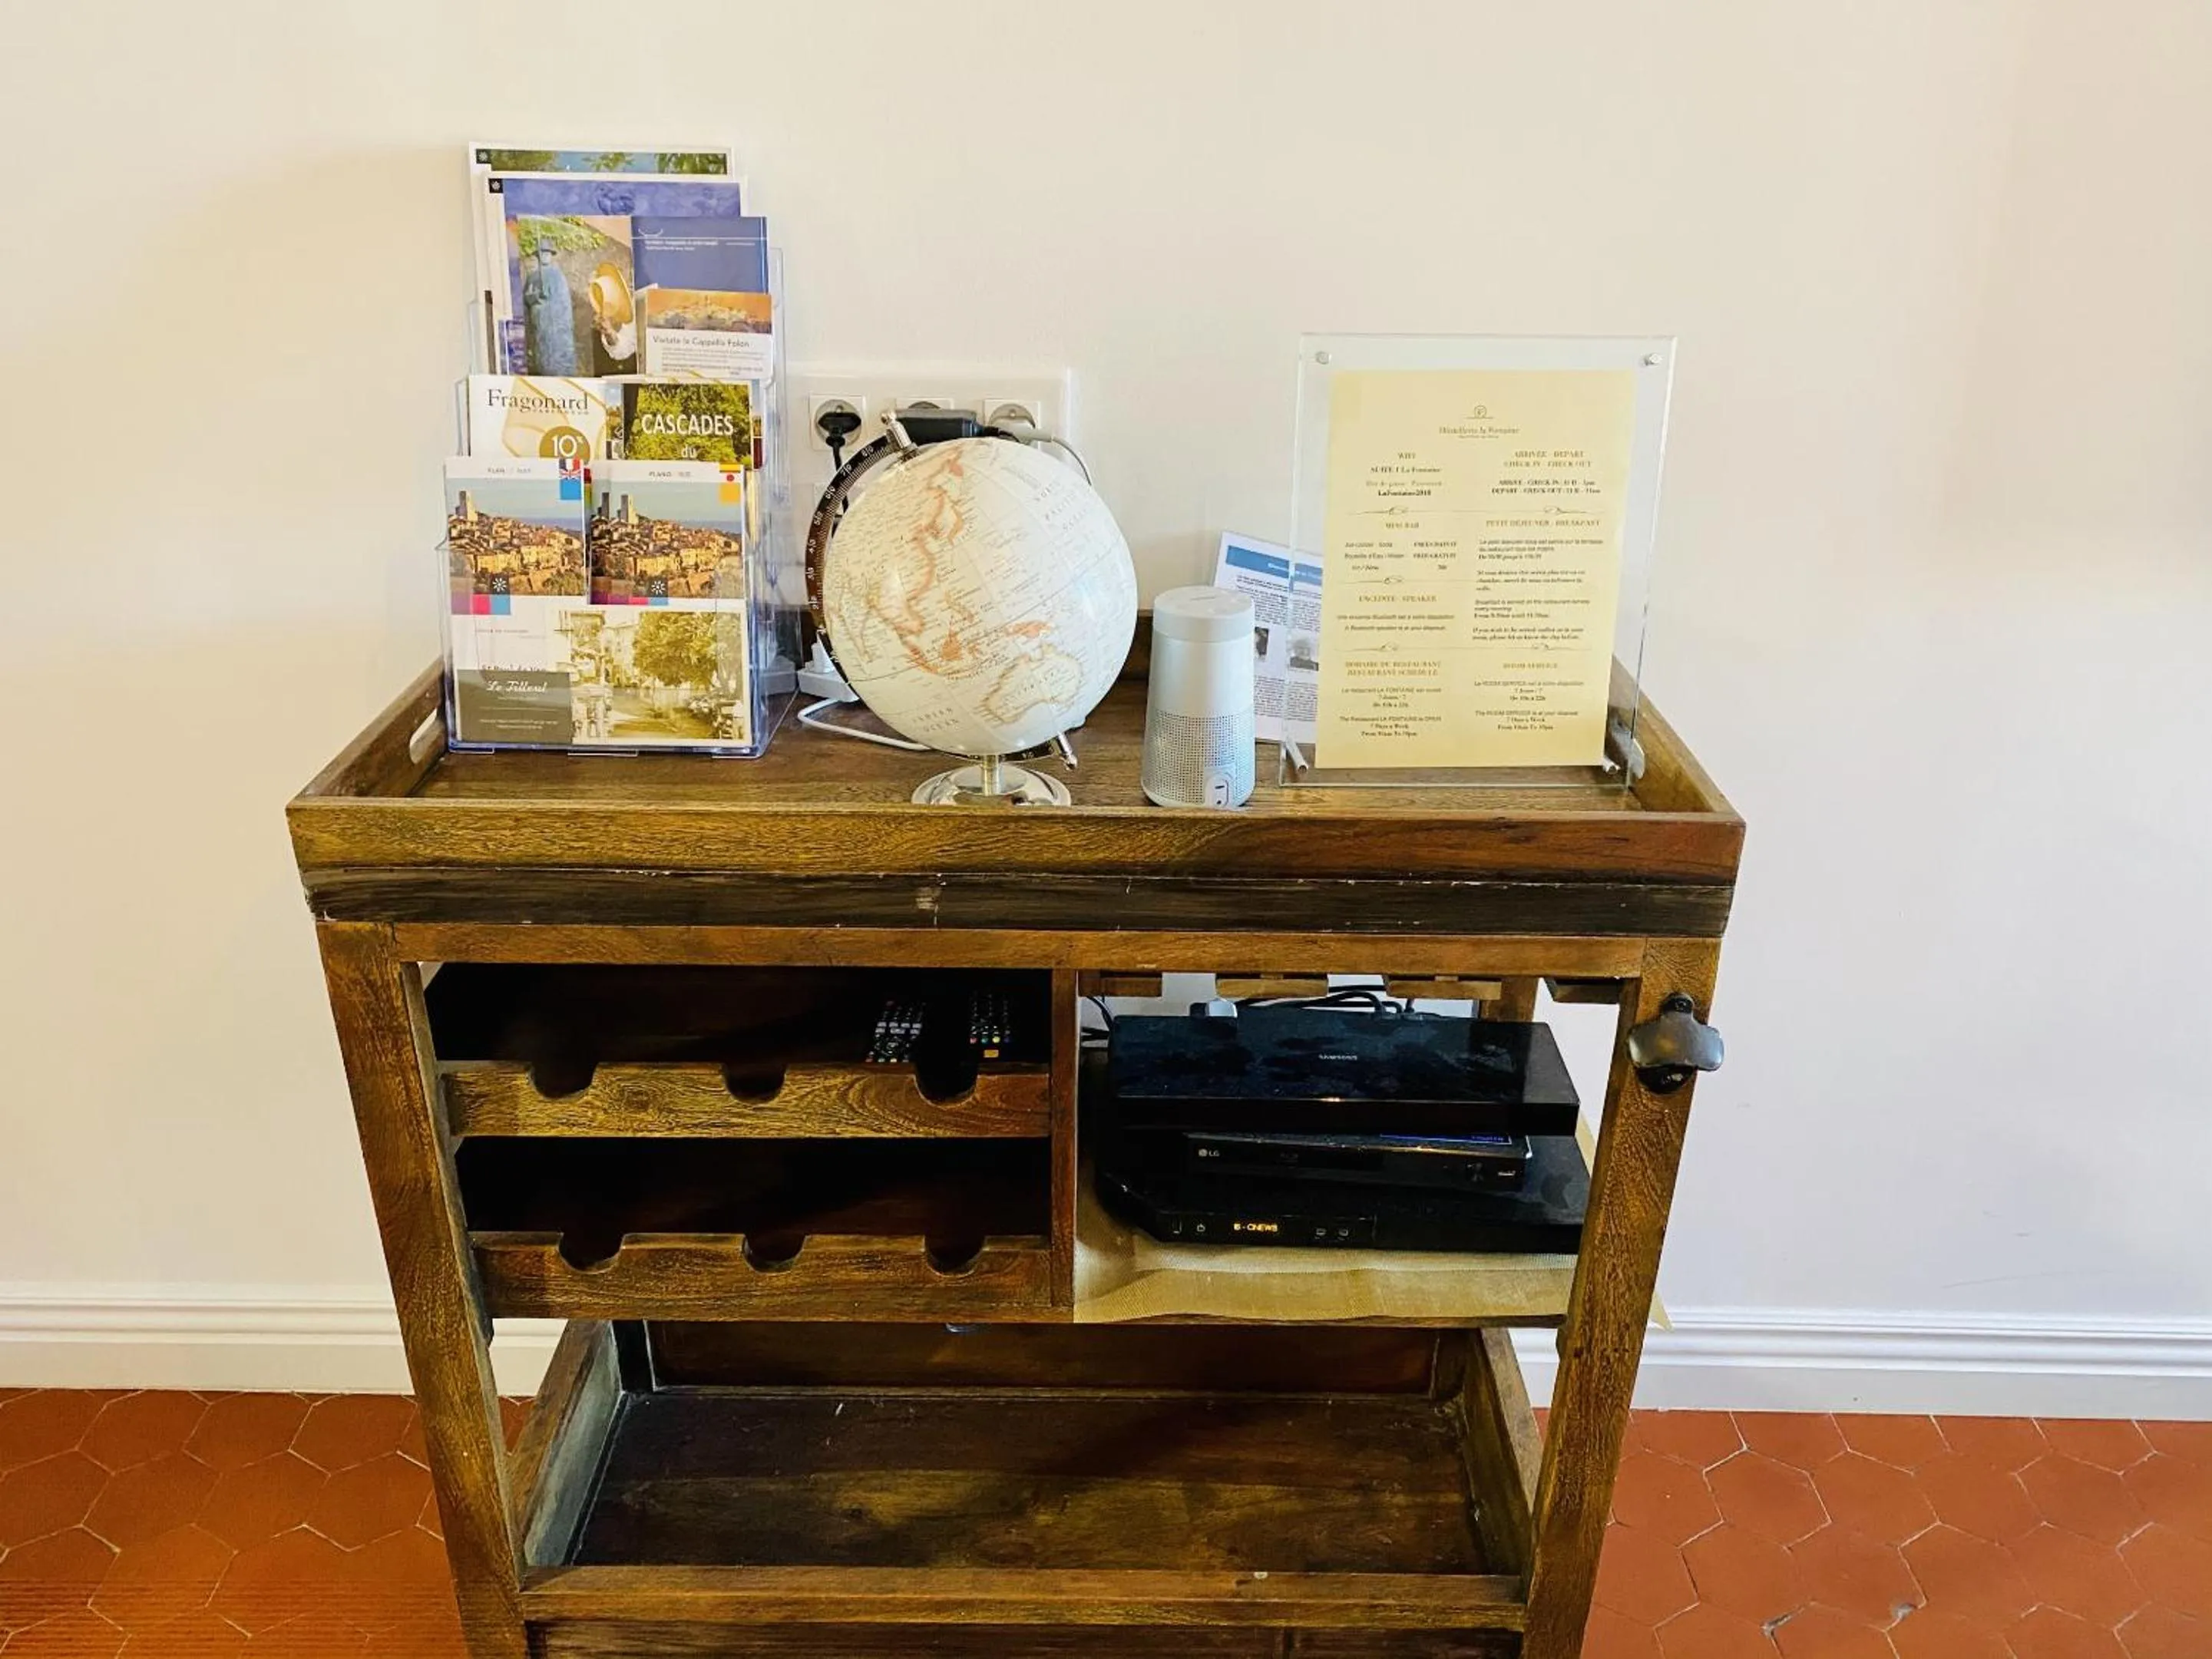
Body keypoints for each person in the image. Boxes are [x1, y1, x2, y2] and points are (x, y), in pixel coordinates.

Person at [523, 243, 577, 375]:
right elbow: (528, 298)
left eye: (547, 254)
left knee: (559, 351)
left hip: (557, 322)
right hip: (542, 322)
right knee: (543, 350)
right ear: (538, 256)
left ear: (551, 256)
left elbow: (563, 300)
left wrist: (553, 307)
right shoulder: (532, 277)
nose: (545, 257)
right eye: (542, 254)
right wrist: (537, 297)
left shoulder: (557, 276)